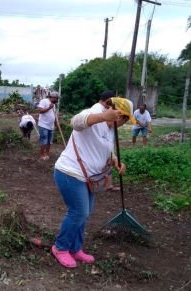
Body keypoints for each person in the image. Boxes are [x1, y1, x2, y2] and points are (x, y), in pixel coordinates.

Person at [51, 91, 137, 268]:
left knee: (85, 212)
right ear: (116, 114)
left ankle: (75, 249)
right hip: (70, 172)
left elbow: (105, 148)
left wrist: (114, 160)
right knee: (79, 211)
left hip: (86, 177)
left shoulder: (109, 128)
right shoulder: (93, 113)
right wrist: (103, 116)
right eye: (125, 119)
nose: (124, 124)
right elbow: (75, 122)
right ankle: (60, 248)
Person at [38, 92, 59, 160]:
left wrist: (56, 123)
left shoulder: (54, 104)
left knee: (49, 141)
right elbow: (40, 111)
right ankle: (42, 155)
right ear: (52, 97)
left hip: (51, 126)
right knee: (44, 140)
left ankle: (46, 154)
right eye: (56, 98)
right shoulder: (44, 101)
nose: (57, 100)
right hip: (43, 125)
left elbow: (54, 115)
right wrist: (49, 107)